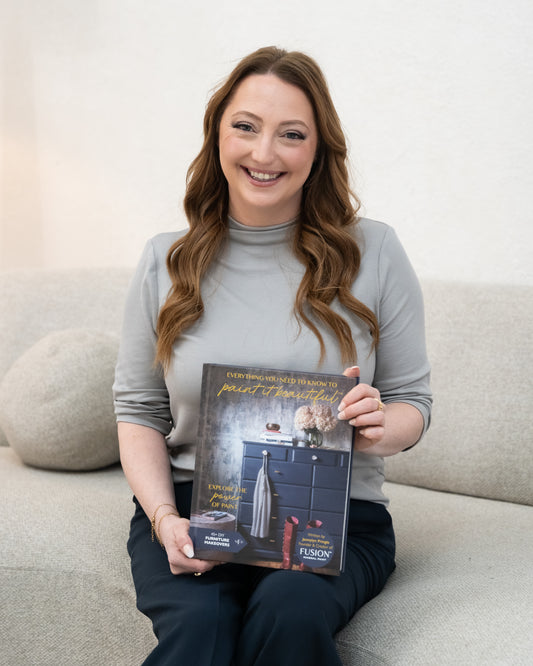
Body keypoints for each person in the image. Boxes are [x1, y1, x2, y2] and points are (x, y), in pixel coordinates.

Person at [113, 46, 432, 666]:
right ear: (217, 135)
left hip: (336, 518)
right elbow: (139, 411)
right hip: (194, 509)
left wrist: (376, 427)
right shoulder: (164, 261)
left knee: (291, 608)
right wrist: (164, 519)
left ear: (318, 151)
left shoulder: (375, 252)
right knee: (199, 627)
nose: (264, 153)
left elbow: (413, 404)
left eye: (291, 134)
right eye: (246, 126)